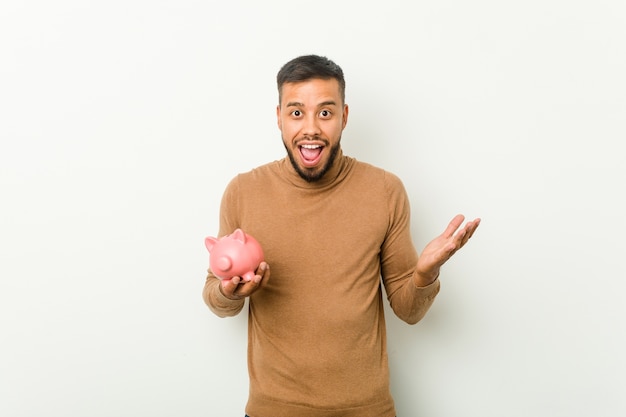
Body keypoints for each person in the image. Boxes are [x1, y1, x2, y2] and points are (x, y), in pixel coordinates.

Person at [203, 54, 480, 417]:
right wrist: (228, 292)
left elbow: (408, 310)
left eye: (325, 112)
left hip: (366, 410)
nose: (311, 129)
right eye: (297, 112)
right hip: (273, 410)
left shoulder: (384, 190)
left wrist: (425, 276)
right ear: (279, 118)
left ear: (344, 117)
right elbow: (215, 293)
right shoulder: (243, 191)